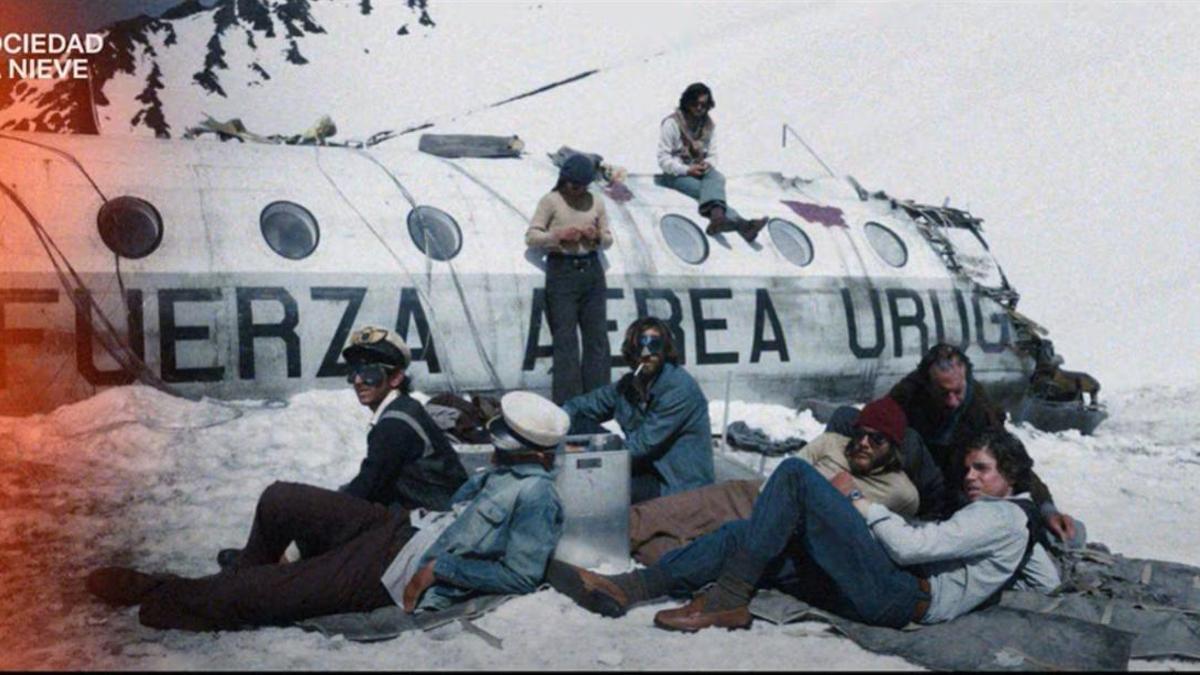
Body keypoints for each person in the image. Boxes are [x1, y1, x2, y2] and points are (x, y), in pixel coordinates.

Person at [84, 391, 569, 631]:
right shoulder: (504, 473)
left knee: (279, 588)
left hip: (396, 566)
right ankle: (237, 587)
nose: (498, 450)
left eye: (511, 447)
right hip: (399, 528)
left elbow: (522, 574)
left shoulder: (537, 496)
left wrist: (441, 568)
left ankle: (166, 592)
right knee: (282, 498)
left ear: (541, 456)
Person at [549, 429, 1060, 633]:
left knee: (796, 477)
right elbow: (1046, 581)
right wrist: (990, 581)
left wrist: (859, 502)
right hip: (898, 590)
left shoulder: (997, 516)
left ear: (1010, 477)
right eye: (968, 468)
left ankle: (728, 598)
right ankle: (629, 588)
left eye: (983, 470)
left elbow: (907, 547)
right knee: (746, 537)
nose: (970, 477)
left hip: (901, 593)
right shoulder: (1016, 523)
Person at [216, 326, 468, 569]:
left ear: (395, 377)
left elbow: (365, 491)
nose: (358, 381)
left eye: (370, 373)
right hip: (426, 515)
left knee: (302, 506)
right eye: (354, 372)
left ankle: (268, 564)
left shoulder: (395, 424)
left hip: (429, 528)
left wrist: (303, 544)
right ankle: (263, 556)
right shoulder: (403, 409)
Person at [629, 397, 922, 565]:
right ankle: (610, 537)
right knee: (676, 510)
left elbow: (886, 538)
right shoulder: (831, 442)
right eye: (860, 434)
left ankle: (647, 554)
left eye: (877, 438)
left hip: (792, 534)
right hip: (760, 496)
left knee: (678, 555)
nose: (863, 443)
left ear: (893, 446)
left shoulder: (902, 493)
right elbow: (786, 473)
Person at [889, 343, 1081, 543]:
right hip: (912, 479)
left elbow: (1012, 461)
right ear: (927, 385)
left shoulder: (979, 409)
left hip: (955, 484)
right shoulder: (907, 395)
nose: (953, 401)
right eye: (944, 393)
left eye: (958, 391)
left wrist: (1047, 509)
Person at [563, 316, 714, 503]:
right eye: (640, 346)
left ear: (665, 349)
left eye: (654, 345)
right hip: (643, 466)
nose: (646, 352)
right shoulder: (630, 384)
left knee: (598, 488)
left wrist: (583, 448)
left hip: (674, 482)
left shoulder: (678, 388)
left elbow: (639, 447)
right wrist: (557, 425)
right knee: (577, 423)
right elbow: (582, 405)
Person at [525, 153, 615, 405]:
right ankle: (569, 405)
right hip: (562, 270)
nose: (579, 191)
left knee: (596, 339)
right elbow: (532, 236)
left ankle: (598, 402)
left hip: (591, 271)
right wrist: (558, 235)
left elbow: (608, 238)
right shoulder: (550, 201)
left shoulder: (595, 202)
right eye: (575, 186)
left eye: (584, 186)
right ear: (564, 181)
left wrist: (596, 236)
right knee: (565, 341)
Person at [656, 82, 766, 242]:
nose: (700, 108)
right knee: (709, 193)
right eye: (696, 103)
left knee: (717, 178)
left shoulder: (708, 126)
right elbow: (663, 159)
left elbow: (713, 155)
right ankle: (741, 225)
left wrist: (708, 163)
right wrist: (686, 170)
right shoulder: (672, 124)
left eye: (704, 104)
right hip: (676, 174)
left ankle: (719, 220)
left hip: (699, 170)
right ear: (687, 102)